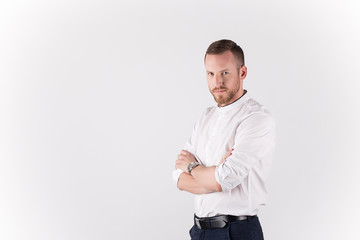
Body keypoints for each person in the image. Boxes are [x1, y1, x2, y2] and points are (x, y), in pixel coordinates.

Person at [173, 39, 276, 240]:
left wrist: (192, 168)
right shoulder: (205, 117)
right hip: (199, 231)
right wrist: (212, 180)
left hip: (235, 231)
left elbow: (225, 178)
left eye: (225, 73)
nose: (217, 82)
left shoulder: (256, 118)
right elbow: (178, 177)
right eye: (211, 74)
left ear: (242, 72)